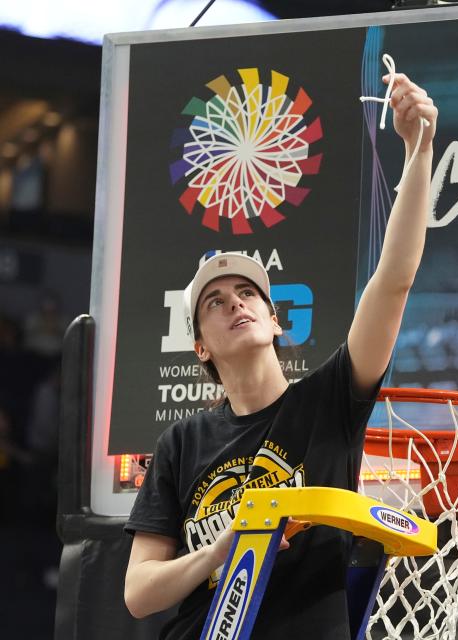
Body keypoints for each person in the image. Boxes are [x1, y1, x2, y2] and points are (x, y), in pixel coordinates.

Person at [123, 73, 437, 639]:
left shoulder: (330, 401)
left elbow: (394, 280)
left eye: (248, 294)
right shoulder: (181, 443)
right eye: (215, 302)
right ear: (200, 346)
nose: (235, 303)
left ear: (275, 320)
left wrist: (418, 152)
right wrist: (222, 550)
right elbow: (139, 593)